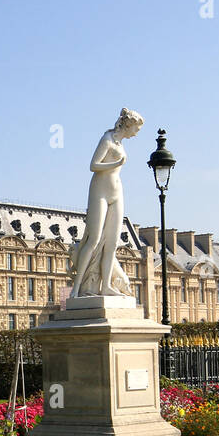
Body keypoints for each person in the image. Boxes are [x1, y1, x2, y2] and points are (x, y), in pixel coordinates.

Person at [70, 107, 143, 298]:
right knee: (93, 240)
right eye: (136, 128)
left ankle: (105, 288)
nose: (136, 133)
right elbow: (93, 165)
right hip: (99, 192)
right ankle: (77, 289)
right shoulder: (107, 139)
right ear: (128, 124)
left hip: (117, 193)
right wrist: (116, 164)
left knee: (111, 243)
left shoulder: (119, 143)